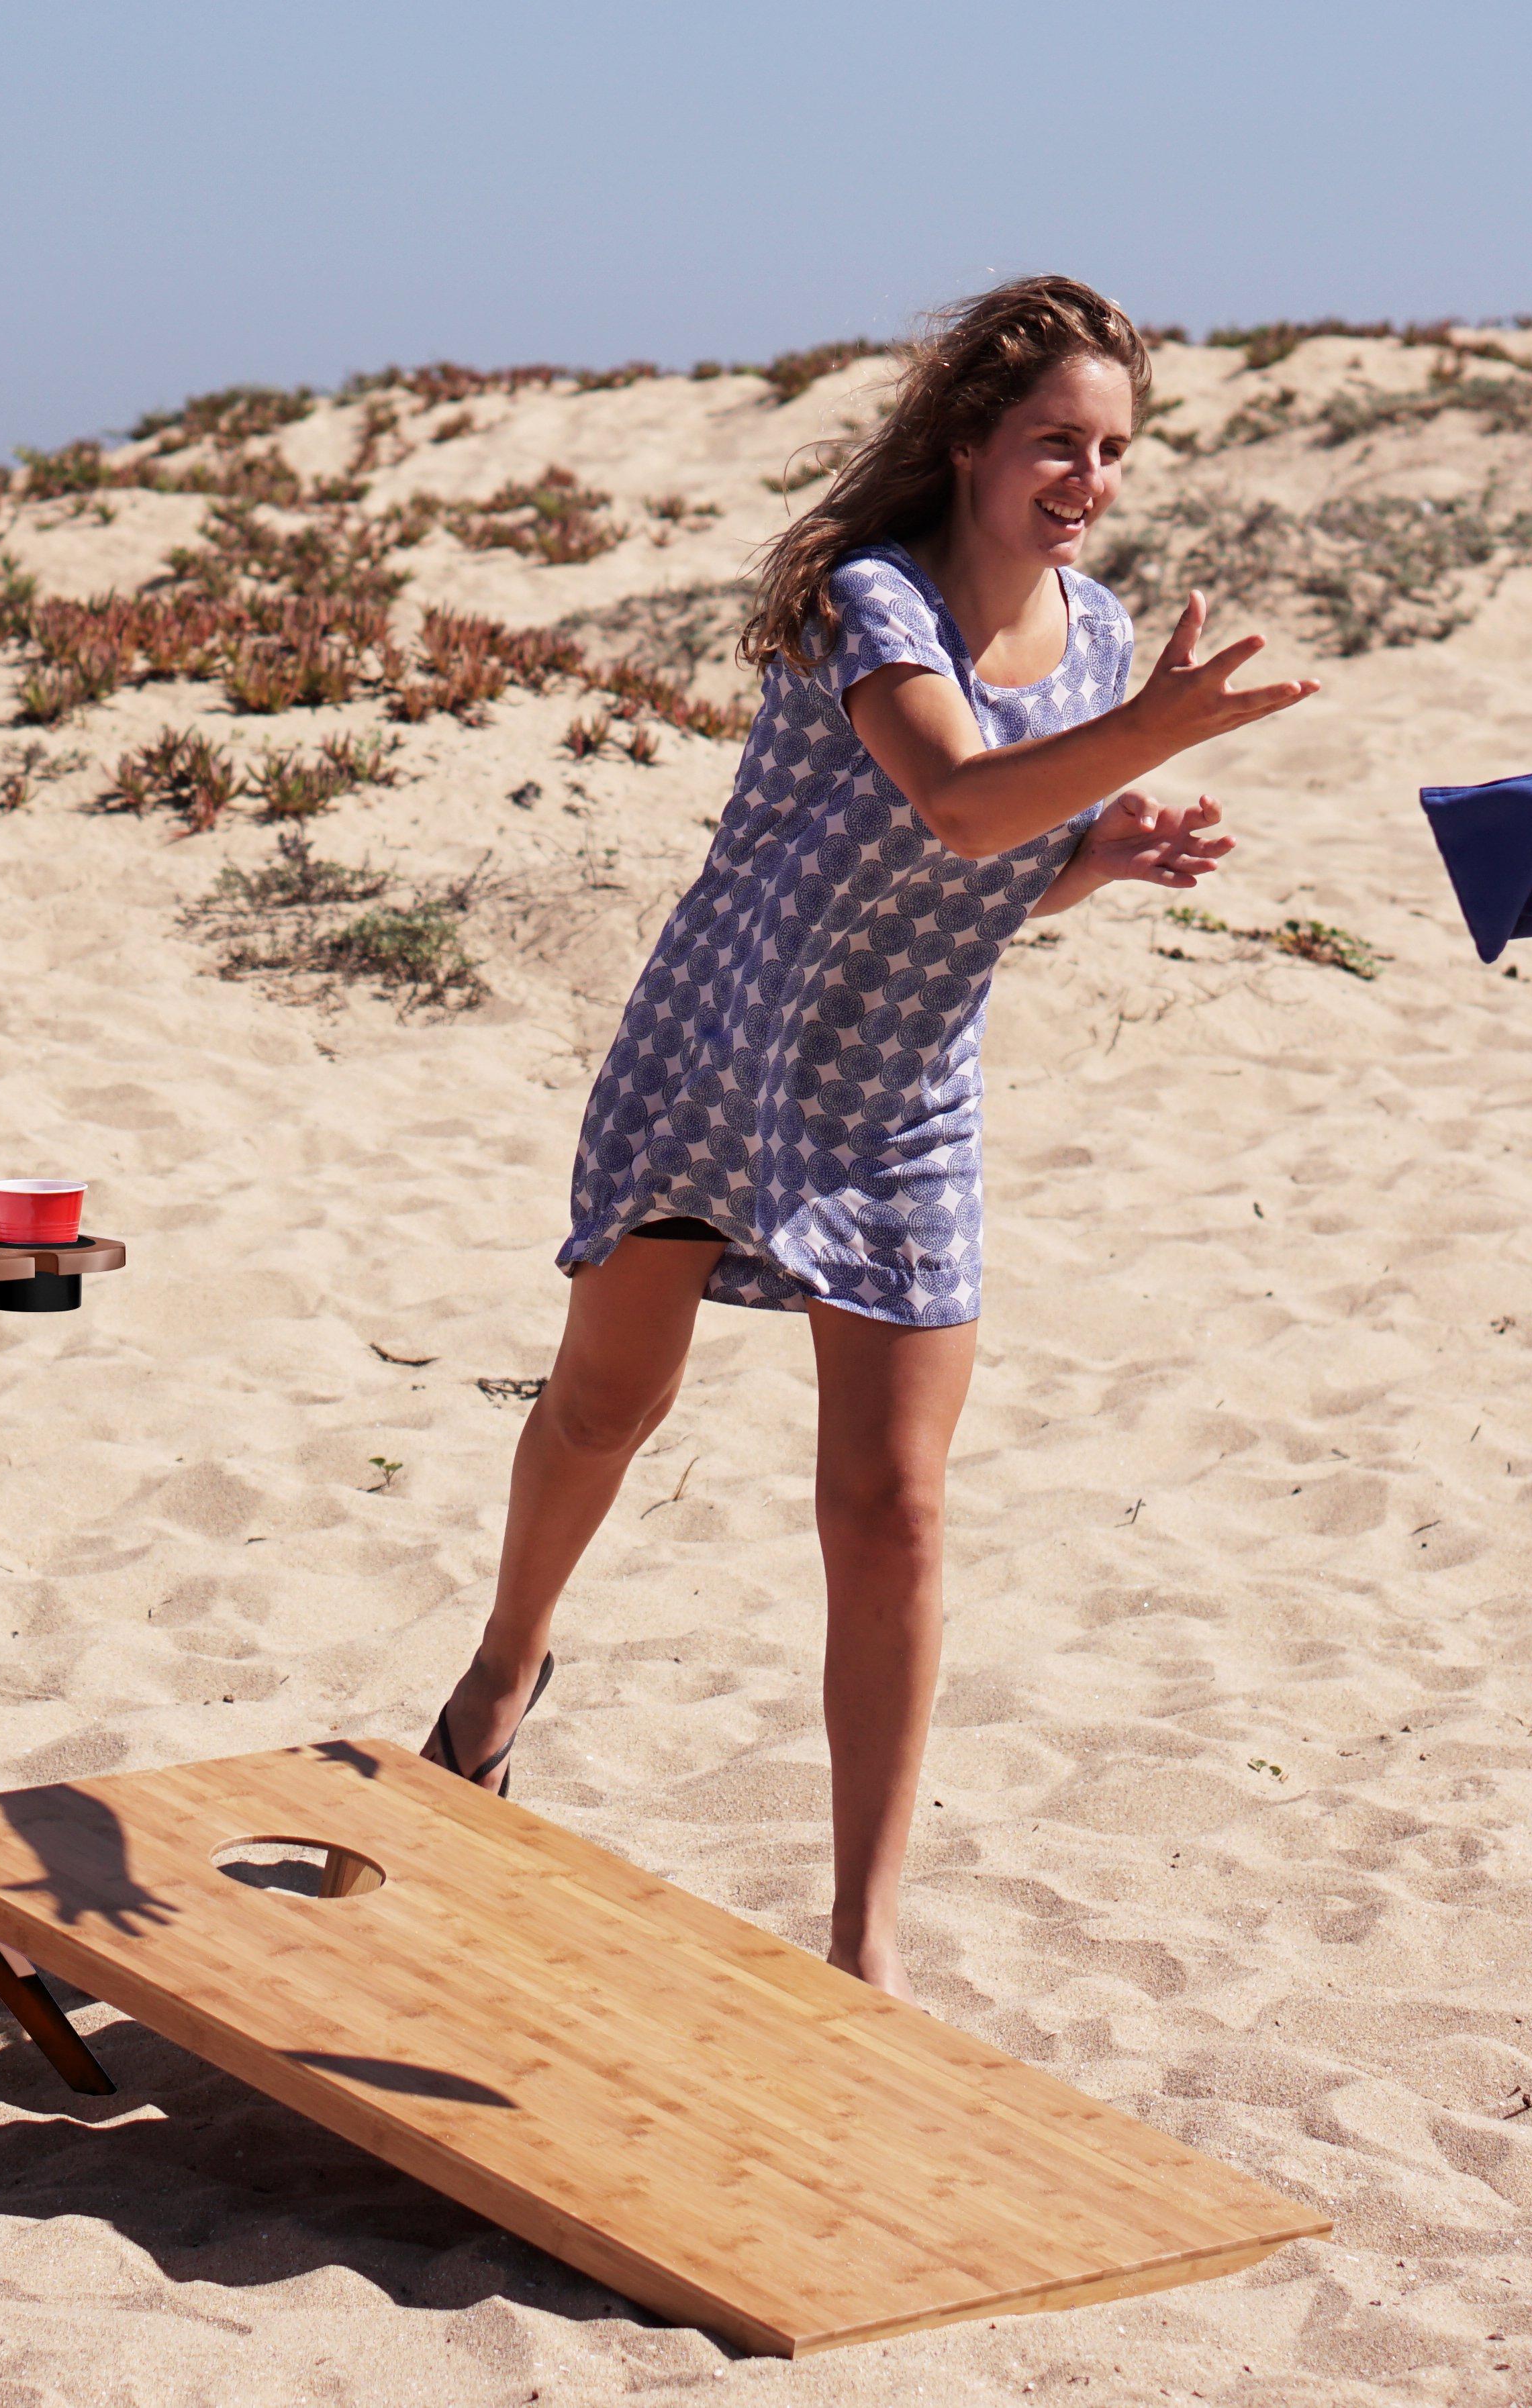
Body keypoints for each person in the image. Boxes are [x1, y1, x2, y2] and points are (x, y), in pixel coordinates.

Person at [416, 276, 1319, 2002]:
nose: (1086, 480)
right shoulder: (868, 598)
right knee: (605, 1403)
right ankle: (500, 1672)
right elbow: (956, 799)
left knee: (891, 1505)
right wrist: (1139, 744)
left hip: (901, 1089)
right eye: (1055, 442)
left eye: (1112, 452)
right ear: (969, 440)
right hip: (722, 1046)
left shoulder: (1100, 638)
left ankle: (862, 1944)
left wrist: (1098, 857)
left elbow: (985, 871)